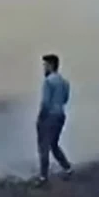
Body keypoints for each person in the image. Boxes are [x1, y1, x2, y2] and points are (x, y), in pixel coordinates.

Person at [34, 54, 73, 187]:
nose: (44, 68)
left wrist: (40, 118)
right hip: (60, 115)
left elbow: (45, 102)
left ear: (50, 65)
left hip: (49, 116)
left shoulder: (48, 81)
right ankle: (67, 168)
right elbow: (65, 99)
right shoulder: (64, 82)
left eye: (45, 65)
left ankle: (43, 177)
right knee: (54, 144)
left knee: (44, 146)